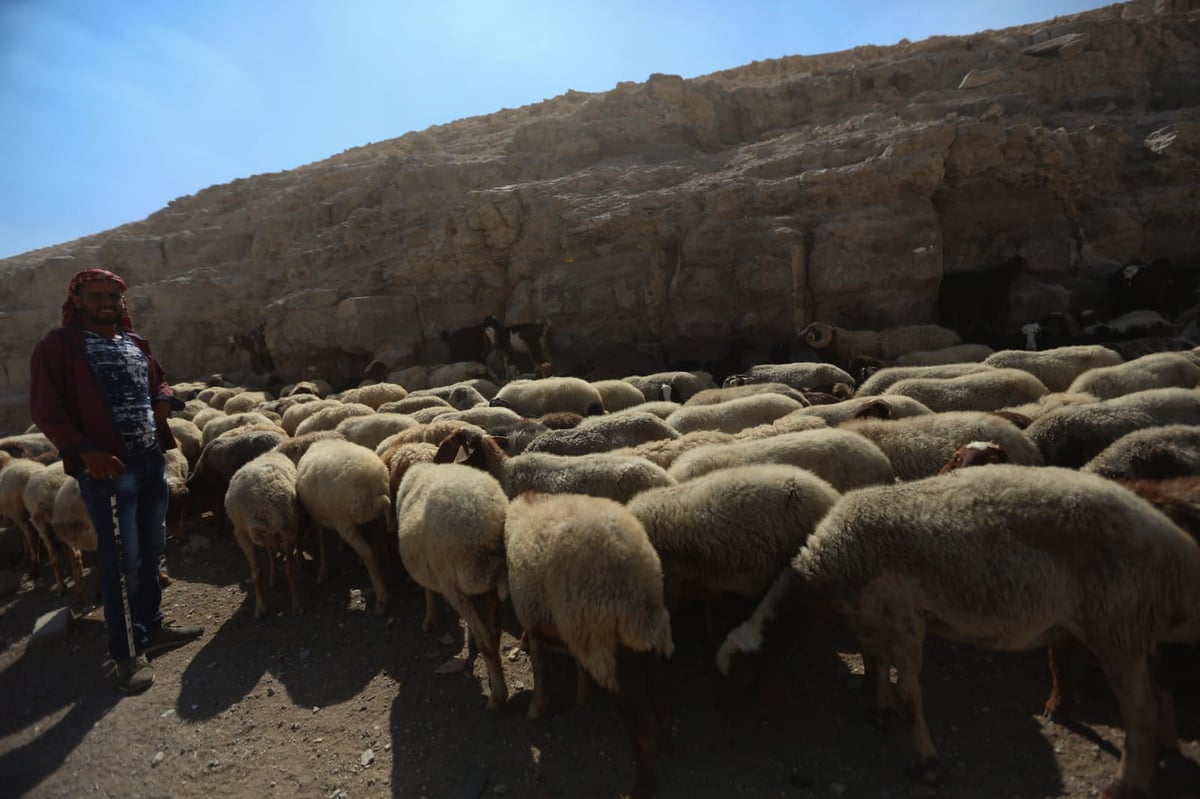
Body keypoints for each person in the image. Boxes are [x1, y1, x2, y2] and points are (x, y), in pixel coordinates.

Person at [29, 268, 203, 693]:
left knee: (152, 548)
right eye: (97, 295)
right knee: (122, 558)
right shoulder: (60, 346)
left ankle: (153, 627)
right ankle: (127, 652)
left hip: (147, 460)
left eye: (114, 295)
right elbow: (46, 409)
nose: (107, 302)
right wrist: (86, 451)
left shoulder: (132, 341)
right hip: (108, 470)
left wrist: (163, 400)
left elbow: (158, 378)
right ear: (79, 300)